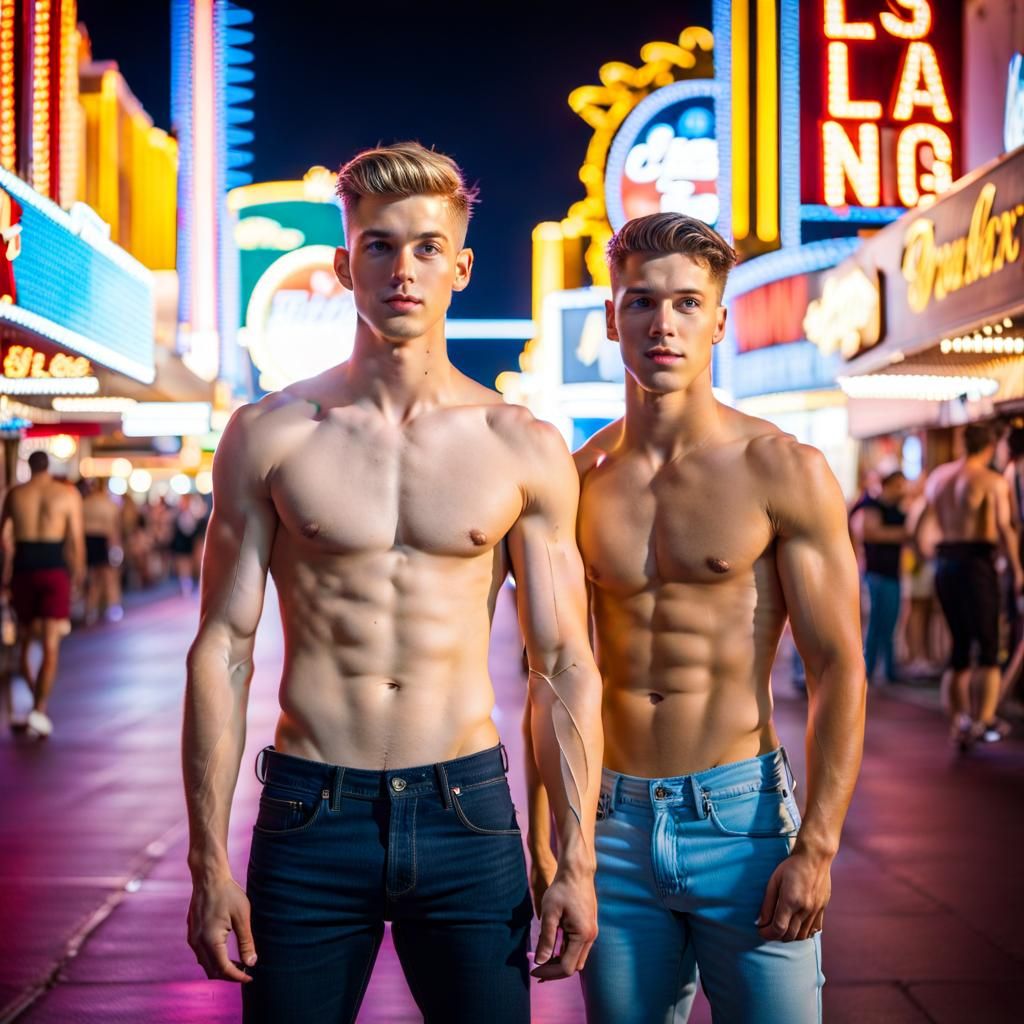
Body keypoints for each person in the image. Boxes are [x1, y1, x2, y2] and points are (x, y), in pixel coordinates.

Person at [182, 142, 602, 1024]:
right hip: (309, 809)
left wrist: (575, 862)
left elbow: (563, 662)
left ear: (461, 264)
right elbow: (223, 647)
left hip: (467, 812)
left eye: (424, 247)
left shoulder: (519, 444)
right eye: (378, 245)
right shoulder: (271, 435)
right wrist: (209, 862)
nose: (401, 269)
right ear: (344, 264)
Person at [528, 213, 866, 1024]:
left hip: (743, 824)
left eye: (687, 303)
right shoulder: (576, 481)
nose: (663, 324)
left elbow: (839, 669)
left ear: (719, 318)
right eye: (641, 302)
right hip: (609, 824)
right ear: (611, 317)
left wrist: (816, 846)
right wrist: (549, 845)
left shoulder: (783, 469)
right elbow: (551, 674)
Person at [919, 422, 1024, 748]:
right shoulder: (990, 481)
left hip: (945, 562)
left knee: (959, 648)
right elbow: (1005, 528)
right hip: (977, 563)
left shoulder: (939, 477)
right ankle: (983, 720)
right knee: (988, 647)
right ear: (990, 447)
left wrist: (930, 557)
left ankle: (957, 724)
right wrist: (1018, 570)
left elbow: (920, 527)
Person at [0, 451, 84, 737]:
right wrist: (78, 574)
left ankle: (36, 700)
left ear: (29, 466)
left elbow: (4, 541)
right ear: (48, 467)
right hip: (53, 568)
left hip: (24, 569)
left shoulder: (15, 495)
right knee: (50, 644)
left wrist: (6, 574)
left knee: (23, 642)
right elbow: (75, 539)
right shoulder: (67, 494)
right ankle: (39, 707)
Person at [861, 470, 908, 684]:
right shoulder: (872, 504)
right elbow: (870, 532)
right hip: (876, 573)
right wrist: (900, 534)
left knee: (890, 623)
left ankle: (889, 670)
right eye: (898, 485)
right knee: (876, 623)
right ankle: (868, 669)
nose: (902, 490)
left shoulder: (899, 510)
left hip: (893, 573)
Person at [81, 478, 122, 622]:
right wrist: (116, 548)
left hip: (88, 541)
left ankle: (90, 610)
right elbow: (113, 529)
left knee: (93, 578)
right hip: (104, 540)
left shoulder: (85, 504)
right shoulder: (109, 505)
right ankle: (113, 607)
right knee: (109, 577)